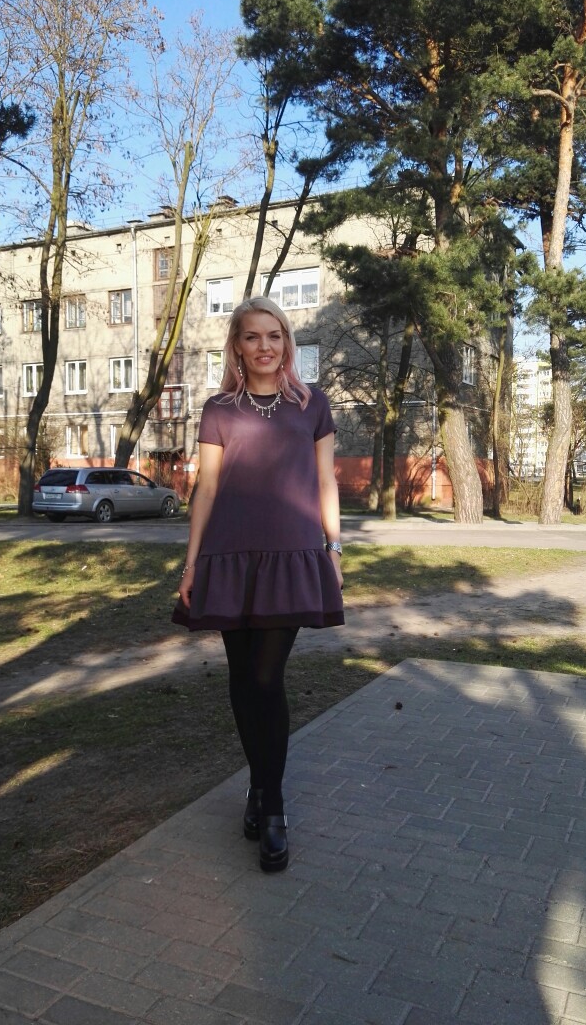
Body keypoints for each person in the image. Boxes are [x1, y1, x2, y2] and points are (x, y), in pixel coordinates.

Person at [172, 296, 344, 873]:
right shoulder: (219, 409)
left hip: (291, 556)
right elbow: (207, 489)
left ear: (286, 343)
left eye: (275, 335)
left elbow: (325, 481)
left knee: (267, 677)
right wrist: (192, 565)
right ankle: (260, 785)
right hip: (228, 557)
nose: (265, 346)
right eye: (253, 336)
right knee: (243, 680)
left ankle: (272, 807)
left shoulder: (312, 404)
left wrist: (334, 547)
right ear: (237, 346)